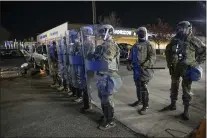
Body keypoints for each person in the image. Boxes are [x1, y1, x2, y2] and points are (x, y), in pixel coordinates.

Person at [161, 21, 206, 120]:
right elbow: (168, 51)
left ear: (188, 28)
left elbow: (204, 51)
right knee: (174, 86)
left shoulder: (193, 40)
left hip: (187, 69)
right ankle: (173, 105)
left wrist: (196, 63)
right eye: (179, 28)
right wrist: (169, 63)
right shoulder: (175, 39)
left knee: (186, 90)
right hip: (175, 68)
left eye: (182, 28)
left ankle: (186, 111)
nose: (180, 30)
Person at [93, 24, 122, 130]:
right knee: (102, 97)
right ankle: (106, 115)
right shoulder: (104, 45)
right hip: (102, 75)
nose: (100, 34)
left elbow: (105, 60)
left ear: (108, 32)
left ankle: (110, 121)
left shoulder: (110, 45)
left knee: (107, 99)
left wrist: (96, 57)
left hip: (108, 75)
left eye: (102, 32)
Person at [127, 27, 156, 115]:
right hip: (136, 71)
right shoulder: (135, 45)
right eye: (139, 32)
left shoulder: (149, 45)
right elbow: (130, 57)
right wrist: (129, 64)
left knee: (144, 87)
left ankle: (145, 105)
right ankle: (139, 101)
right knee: (138, 86)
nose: (140, 33)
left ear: (145, 33)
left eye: (142, 32)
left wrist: (145, 65)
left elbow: (152, 57)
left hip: (145, 71)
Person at [79, 26, 95, 113]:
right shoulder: (84, 43)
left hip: (87, 68)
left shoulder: (89, 44)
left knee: (87, 87)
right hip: (84, 67)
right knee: (85, 87)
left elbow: (90, 57)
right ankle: (86, 104)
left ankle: (88, 105)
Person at [68, 30, 82, 100]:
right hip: (73, 64)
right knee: (73, 79)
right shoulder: (72, 45)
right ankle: (75, 93)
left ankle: (79, 96)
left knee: (78, 80)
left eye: (71, 36)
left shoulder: (78, 44)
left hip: (77, 65)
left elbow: (78, 55)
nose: (70, 38)